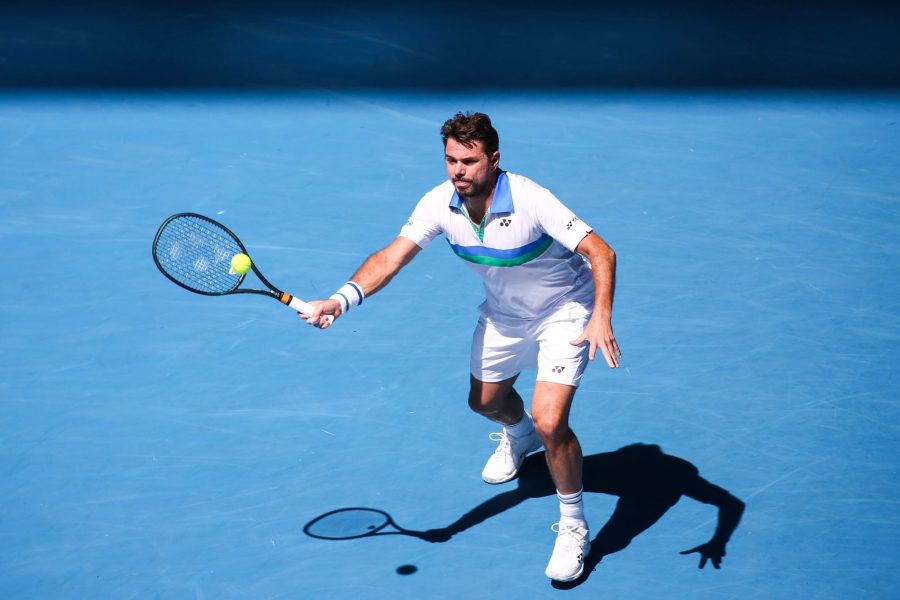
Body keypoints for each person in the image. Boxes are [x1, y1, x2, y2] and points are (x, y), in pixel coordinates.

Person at [303, 112, 621, 582]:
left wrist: (600, 316)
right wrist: (339, 300)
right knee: (485, 402)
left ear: (494, 159)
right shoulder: (439, 203)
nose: (458, 170)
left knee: (552, 420)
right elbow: (391, 258)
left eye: (469, 161)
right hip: (505, 314)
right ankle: (520, 434)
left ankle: (574, 525)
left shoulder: (531, 199)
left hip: (565, 309)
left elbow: (601, 251)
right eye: (451, 160)